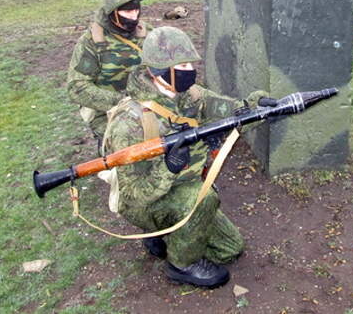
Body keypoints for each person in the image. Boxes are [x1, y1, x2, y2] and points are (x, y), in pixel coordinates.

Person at [103, 26, 268, 288]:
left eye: (191, 63)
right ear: (158, 71)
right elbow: (132, 195)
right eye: (182, 64)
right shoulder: (129, 123)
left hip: (180, 185)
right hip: (145, 202)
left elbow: (222, 108)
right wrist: (168, 167)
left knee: (230, 248)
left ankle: (165, 234)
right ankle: (181, 265)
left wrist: (255, 106)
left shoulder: (186, 93)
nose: (190, 69)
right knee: (202, 198)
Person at [67, 0, 147, 153]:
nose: (134, 16)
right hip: (106, 111)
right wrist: (121, 102)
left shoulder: (146, 34)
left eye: (136, 9)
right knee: (130, 145)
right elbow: (77, 88)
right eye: (127, 11)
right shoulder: (91, 42)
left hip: (148, 103)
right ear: (113, 12)